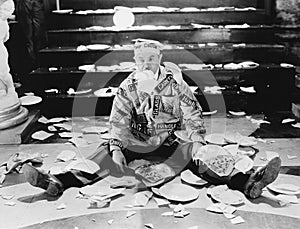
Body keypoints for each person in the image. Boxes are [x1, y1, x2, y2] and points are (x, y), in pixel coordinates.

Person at [22, 39, 281, 199]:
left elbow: (192, 112)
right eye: (141, 59)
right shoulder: (127, 86)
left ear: (160, 59)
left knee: (203, 156)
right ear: (134, 61)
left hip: (170, 138)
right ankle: (56, 181)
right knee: (101, 157)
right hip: (134, 138)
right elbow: (117, 121)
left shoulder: (175, 84)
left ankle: (248, 181)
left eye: (151, 59)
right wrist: (116, 149)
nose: (146, 64)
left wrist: (197, 139)